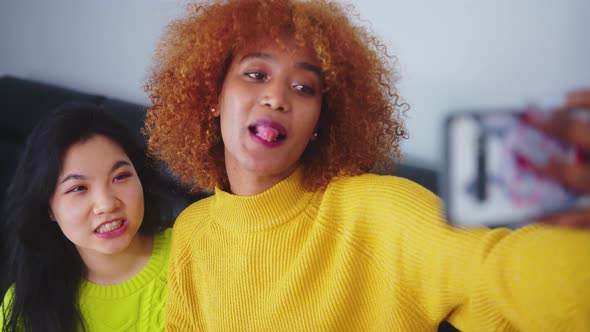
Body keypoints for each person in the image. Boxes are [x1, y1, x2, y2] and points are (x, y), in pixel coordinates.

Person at [144, 0, 590, 330]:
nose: (277, 97)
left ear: (321, 121)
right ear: (212, 98)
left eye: (304, 88)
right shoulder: (192, 231)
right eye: (256, 74)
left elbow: (501, 275)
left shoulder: (379, 211)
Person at [0, 103, 173, 331]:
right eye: (78, 188)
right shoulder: (24, 304)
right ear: (48, 207)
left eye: (120, 177)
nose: (107, 204)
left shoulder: (194, 249)